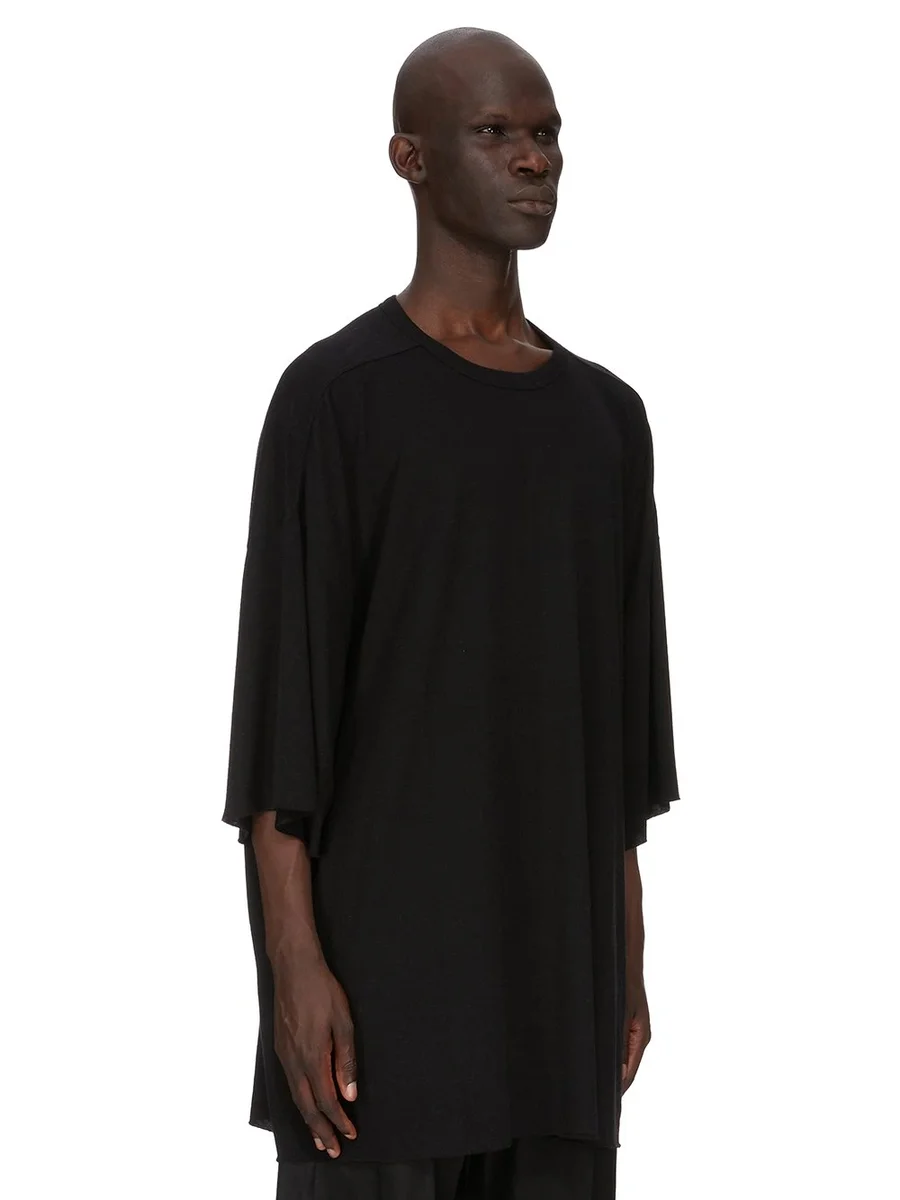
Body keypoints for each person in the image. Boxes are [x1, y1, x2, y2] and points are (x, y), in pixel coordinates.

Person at [222, 25, 681, 1200]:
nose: (533, 159)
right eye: (494, 133)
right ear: (410, 158)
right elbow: (284, 723)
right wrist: (294, 971)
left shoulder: (606, 422)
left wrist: (624, 959)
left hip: (557, 993)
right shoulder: (337, 399)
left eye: (547, 135)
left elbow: (623, 741)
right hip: (383, 1002)